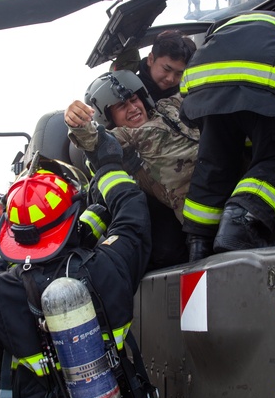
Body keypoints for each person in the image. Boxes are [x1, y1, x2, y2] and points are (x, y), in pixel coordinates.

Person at [0, 139, 154, 398]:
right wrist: (108, 166)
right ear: (69, 221)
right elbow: (132, 217)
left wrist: (13, 232)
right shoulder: (109, 267)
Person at [179, 11, 275, 262]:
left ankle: (199, 244)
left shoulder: (219, 31)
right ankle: (241, 224)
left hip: (202, 82)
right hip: (260, 74)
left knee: (214, 165)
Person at [68, 70, 199, 268]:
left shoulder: (167, 106)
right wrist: (77, 122)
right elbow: (91, 139)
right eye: (121, 106)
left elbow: (198, 89)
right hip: (199, 206)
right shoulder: (120, 138)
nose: (133, 108)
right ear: (108, 117)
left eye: (134, 99)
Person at [111, 29, 196, 102]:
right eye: (166, 69)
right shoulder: (130, 95)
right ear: (151, 59)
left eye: (179, 74)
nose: (170, 79)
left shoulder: (188, 94)